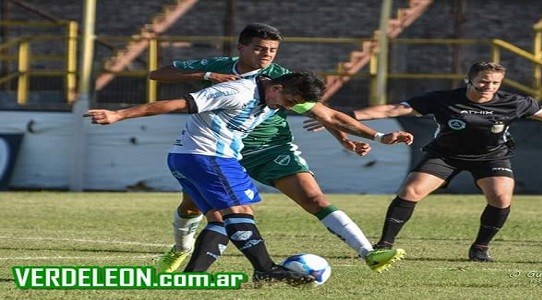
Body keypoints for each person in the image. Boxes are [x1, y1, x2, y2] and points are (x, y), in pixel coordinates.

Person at [84, 71, 409, 286]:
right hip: (207, 156)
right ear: (278, 88)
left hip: (195, 158)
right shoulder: (235, 91)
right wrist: (119, 115)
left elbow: (331, 115)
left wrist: (379, 137)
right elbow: (177, 103)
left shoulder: (283, 94)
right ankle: (265, 269)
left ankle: (192, 276)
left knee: (216, 216)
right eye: (289, 102)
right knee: (240, 212)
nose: (290, 109)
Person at [148, 23, 409, 273]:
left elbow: (325, 114)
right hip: (216, 151)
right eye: (260, 48)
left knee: (314, 199)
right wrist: (207, 76)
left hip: (272, 149)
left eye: (272, 50)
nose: (267, 55)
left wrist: (373, 136)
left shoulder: (281, 79)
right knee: (193, 208)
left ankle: (369, 253)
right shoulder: (219, 68)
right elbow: (157, 74)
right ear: (241, 48)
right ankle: (181, 249)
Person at [323, 61, 542, 262]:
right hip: (445, 154)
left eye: (495, 83)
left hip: (491, 156)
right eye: (483, 81)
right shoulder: (444, 98)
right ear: (469, 80)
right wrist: (345, 116)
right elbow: (394, 109)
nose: (488, 87)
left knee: (501, 197)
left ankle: (480, 248)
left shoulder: (515, 102)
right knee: (410, 191)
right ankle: (384, 244)